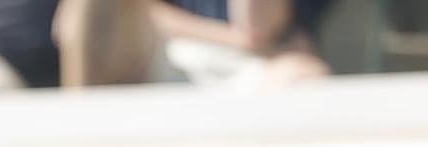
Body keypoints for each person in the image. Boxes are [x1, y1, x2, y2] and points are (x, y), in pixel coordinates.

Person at [53, 0, 333, 88]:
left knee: (305, 80)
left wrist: (241, 42)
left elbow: (257, 26)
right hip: (164, 54)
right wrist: (229, 39)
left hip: (250, 68)